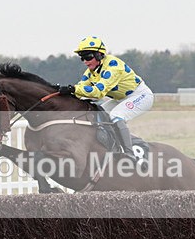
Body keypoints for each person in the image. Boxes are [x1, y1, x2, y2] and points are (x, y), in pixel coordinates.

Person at [56, 36, 154, 165]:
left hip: (140, 96)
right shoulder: (90, 72)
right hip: (120, 99)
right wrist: (63, 93)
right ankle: (111, 147)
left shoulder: (113, 66)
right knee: (98, 115)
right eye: (82, 58)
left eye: (88, 57)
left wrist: (73, 89)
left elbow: (98, 93)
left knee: (116, 115)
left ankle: (129, 154)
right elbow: (80, 89)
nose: (85, 61)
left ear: (99, 55)